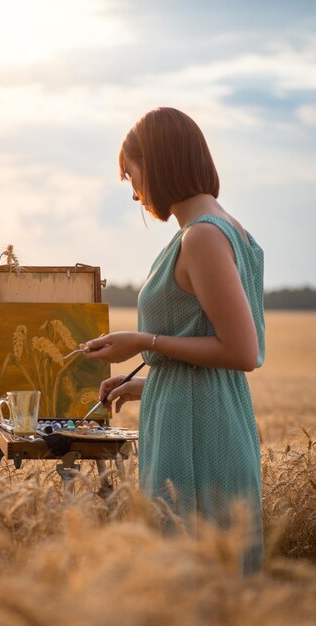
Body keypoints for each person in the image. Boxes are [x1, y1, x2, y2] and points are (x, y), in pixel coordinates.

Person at [82, 107, 265, 575]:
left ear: (159, 163)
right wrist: (143, 383)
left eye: (131, 174)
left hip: (199, 437)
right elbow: (208, 353)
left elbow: (242, 352)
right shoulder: (221, 230)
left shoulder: (202, 237)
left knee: (189, 582)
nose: (133, 192)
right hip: (200, 415)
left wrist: (143, 341)